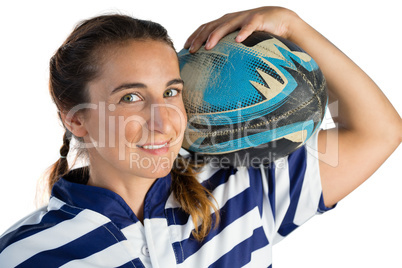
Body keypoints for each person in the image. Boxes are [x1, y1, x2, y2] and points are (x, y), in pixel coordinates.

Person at [0, 6, 400, 268]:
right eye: (131, 97)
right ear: (76, 120)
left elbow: (379, 132)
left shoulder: (240, 184)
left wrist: (290, 24)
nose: (163, 121)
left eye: (171, 92)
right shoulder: (26, 254)